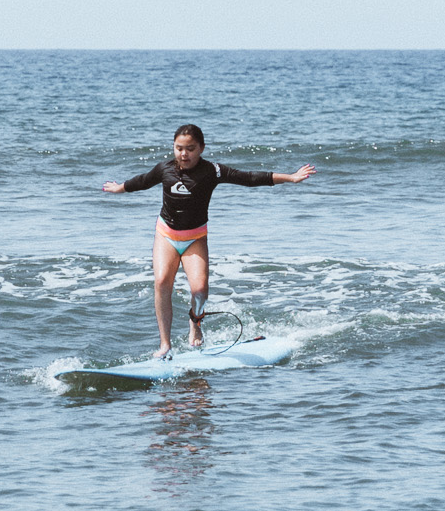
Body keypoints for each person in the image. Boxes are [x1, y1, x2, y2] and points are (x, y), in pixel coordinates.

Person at [103, 124, 316, 357]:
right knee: (162, 282)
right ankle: (165, 344)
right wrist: (119, 188)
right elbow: (142, 181)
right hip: (166, 235)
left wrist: (290, 178)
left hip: (194, 238)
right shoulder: (164, 169)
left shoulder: (212, 171)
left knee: (200, 290)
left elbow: (249, 178)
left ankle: (195, 323)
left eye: (190, 149)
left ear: (201, 148)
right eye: (179, 148)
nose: (184, 154)